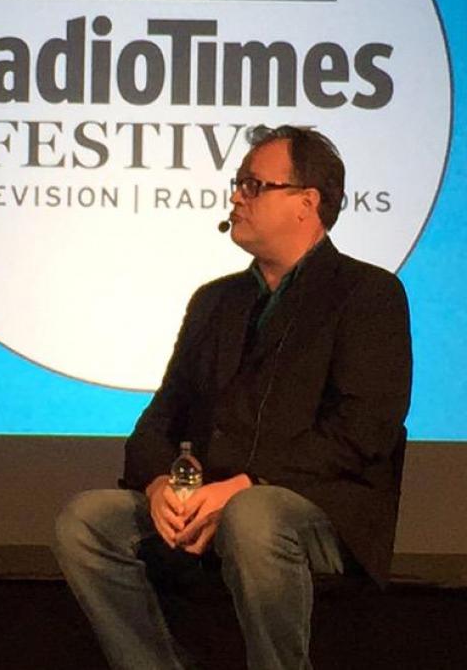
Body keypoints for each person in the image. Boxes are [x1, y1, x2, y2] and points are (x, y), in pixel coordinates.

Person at [54, 125, 412, 670]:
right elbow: (159, 420)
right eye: (238, 184)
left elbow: (364, 431)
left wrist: (246, 484)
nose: (237, 197)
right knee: (87, 520)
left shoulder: (367, 294)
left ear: (306, 203)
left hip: (319, 508)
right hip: (212, 500)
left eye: (254, 185)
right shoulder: (215, 301)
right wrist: (158, 483)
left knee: (253, 514)